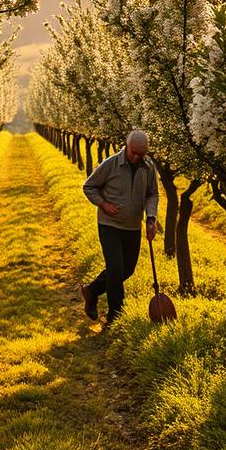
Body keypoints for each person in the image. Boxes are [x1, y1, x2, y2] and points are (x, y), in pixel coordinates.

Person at [80, 130, 159, 325]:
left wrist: (151, 218)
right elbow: (89, 186)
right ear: (127, 145)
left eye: (141, 153)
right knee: (115, 269)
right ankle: (115, 316)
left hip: (132, 226)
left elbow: (152, 194)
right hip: (109, 225)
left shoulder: (148, 167)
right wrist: (103, 204)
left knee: (127, 269)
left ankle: (92, 290)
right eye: (134, 152)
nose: (137, 157)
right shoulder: (111, 164)